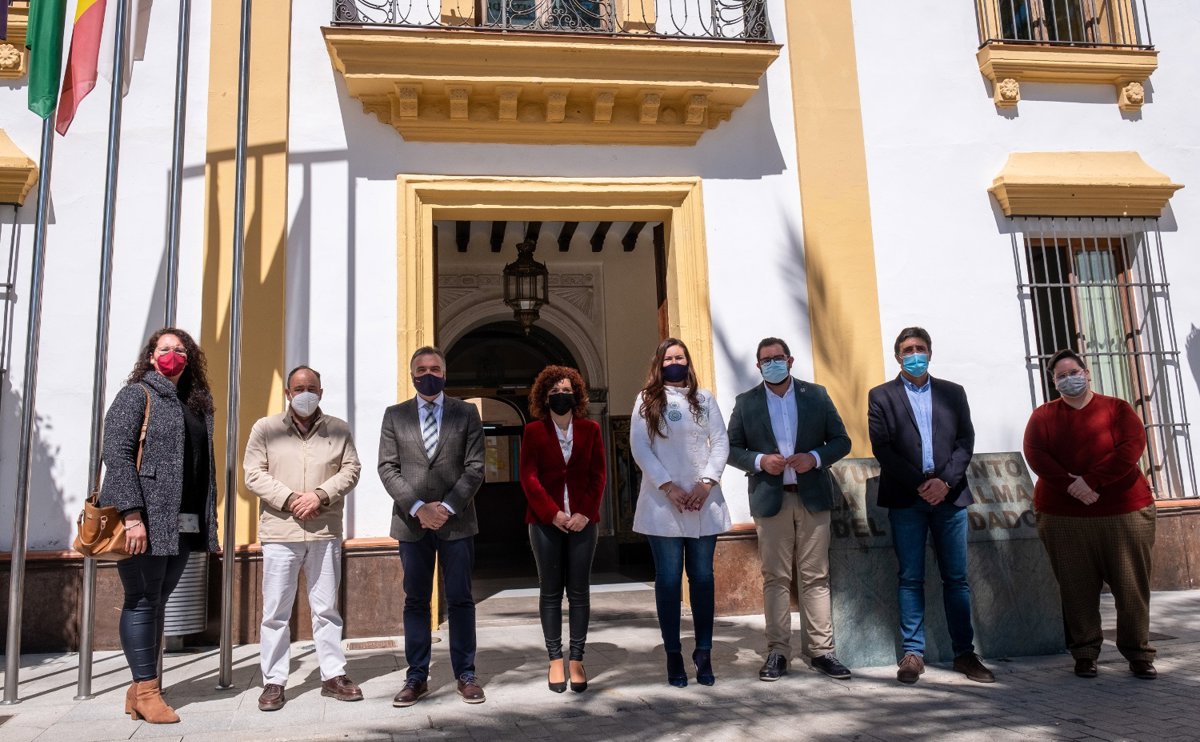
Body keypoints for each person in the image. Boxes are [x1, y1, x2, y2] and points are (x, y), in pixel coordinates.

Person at [101, 328, 219, 724]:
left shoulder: (196, 403)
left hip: (181, 522)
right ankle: (147, 691)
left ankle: (138, 691)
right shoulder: (137, 395)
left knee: (157, 601)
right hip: (146, 520)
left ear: (189, 357)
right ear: (152, 356)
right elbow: (117, 455)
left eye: (180, 349)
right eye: (165, 349)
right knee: (141, 599)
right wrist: (132, 514)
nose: (173, 355)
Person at [867, 327, 994, 684]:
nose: (914, 355)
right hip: (907, 499)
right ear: (897, 356)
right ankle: (913, 654)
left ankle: (964, 654)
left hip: (950, 498)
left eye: (920, 348)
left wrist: (945, 482)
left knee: (956, 578)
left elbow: (965, 441)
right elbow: (882, 447)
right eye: (907, 350)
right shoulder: (881, 396)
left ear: (930, 352)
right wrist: (921, 484)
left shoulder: (953, 393)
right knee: (910, 578)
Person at [1023, 349, 1158, 680]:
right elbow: (1035, 454)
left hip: (1123, 510)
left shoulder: (1118, 409)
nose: (1070, 379)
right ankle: (1085, 653)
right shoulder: (1043, 416)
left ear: (1087, 373)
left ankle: (1138, 653)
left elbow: (1131, 447)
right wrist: (1072, 486)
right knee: (1076, 587)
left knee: (1131, 587)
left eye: (1074, 372)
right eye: (1062, 375)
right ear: (1054, 382)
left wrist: (1091, 481)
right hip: (1063, 516)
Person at [727, 337, 852, 682]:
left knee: (816, 576)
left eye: (778, 358)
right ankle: (778, 651)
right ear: (758, 366)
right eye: (766, 360)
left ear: (790, 360)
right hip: (771, 499)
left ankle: (821, 651)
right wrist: (759, 460)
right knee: (776, 577)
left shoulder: (817, 395)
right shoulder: (746, 403)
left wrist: (814, 458)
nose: (773, 364)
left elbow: (842, 441)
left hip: (812, 497)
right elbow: (731, 448)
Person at [244, 366, 363, 710]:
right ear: (288, 393)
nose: (305, 394)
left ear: (321, 392)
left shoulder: (338, 429)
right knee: (275, 612)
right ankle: (274, 681)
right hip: (280, 532)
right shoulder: (265, 429)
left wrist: (320, 496)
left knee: (326, 609)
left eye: (311, 388)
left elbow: (351, 469)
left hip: (324, 530)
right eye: (299, 388)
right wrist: (291, 499)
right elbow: (253, 473)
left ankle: (333, 675)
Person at [379, 346, 486, 706]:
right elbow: (387, 467)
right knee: (416, 601)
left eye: (435, 368)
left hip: (457, 523)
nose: (429, 374)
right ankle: (416, 677)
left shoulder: (466, 413)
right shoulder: (395, 415)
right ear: (412, 375)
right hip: (411, 524)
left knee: (461, 599)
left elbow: (475, 467)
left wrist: (447, 507)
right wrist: (418, 508)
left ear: (444, 373)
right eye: (422, 369)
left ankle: (466, 674)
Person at [630, 338, 730, 688]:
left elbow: (720, 441)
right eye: (669, 357)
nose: (675, 362)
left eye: (680, 356)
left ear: (688, 361)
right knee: (669, 579)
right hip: (663, 503)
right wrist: (668, 486)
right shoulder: (646, 399)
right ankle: (673, 652)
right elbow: (640, 446)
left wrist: (706, 482)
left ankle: (704, 651)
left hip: (703, 499)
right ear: (659, 364)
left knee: (702, 577)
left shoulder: (705, 399)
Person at [519, 365, 606, 693]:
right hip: (545, 523)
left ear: (576, 394)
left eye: (566, 390)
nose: (561, 396)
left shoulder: (591, 430)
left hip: (583, 522)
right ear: (544, 397)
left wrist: (585, 513)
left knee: (579, 591)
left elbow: (599, 475)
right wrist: (552, 513)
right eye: (554, 392)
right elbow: (529, 477)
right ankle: (555, 658)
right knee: (551, 591)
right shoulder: (533, 432)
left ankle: (577, 659)